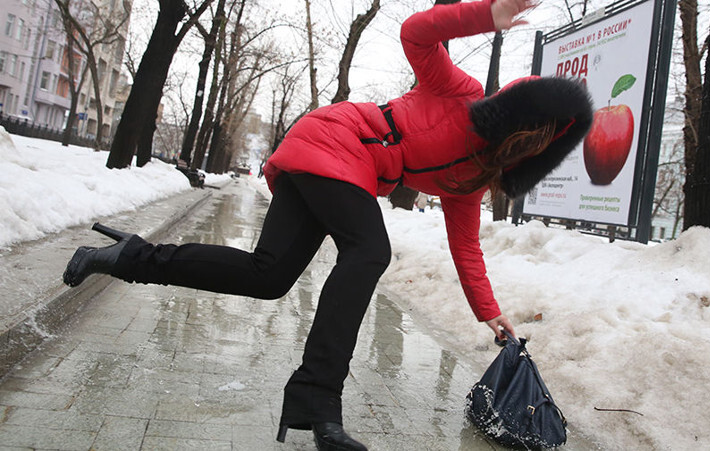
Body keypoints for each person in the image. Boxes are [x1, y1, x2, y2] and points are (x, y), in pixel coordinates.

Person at [62, 0, 593, 449]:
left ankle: (127, 257)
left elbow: (466, 248)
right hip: (338, 140)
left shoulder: (471, 180)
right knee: (370, 251)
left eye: (547, 140)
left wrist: (490, 313)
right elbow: (415, 35)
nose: (535, 139)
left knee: (267, 276)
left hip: (338, 167)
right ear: (515, 109)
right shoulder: (461, 91)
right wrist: (489, 14)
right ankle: (320, 401)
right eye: (535, 124)